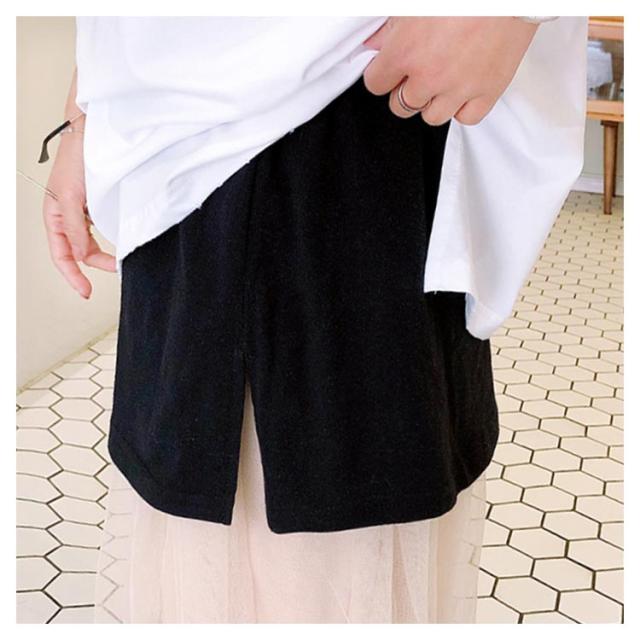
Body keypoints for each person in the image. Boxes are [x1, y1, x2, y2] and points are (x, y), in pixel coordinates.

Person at [41, 16, 587, 623]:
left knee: (345, 524)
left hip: (366, 94)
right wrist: (83, 113)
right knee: (201, 519)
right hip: (162, 135)